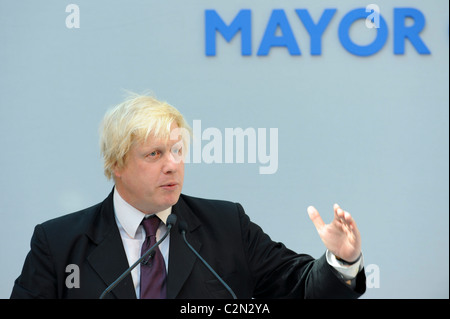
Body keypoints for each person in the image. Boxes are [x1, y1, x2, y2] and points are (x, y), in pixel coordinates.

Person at [10, 94, 366, 299]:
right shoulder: (58, 244)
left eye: (178, 151)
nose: (172, 166)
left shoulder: (227, 226)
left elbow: (299, 289)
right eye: (155, 154)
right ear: (117, 163)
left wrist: (340, 260)